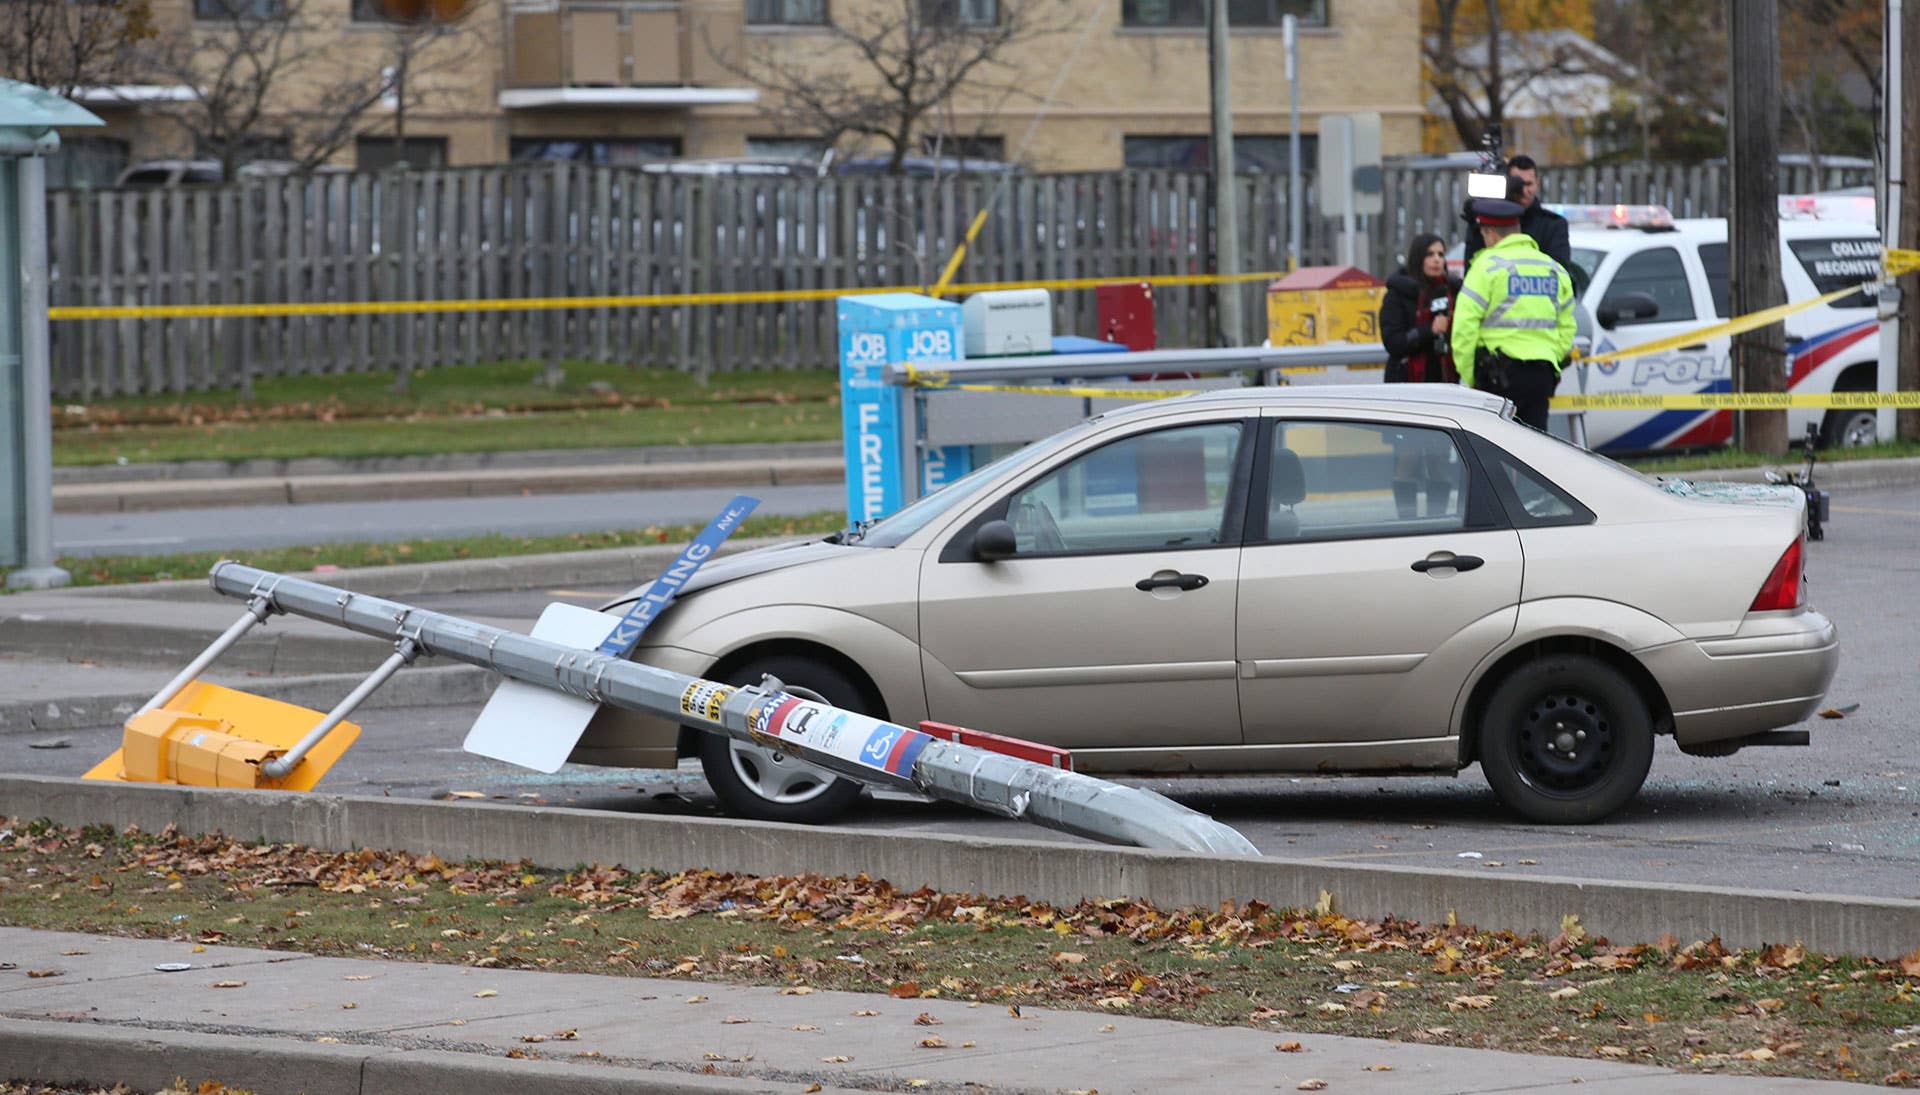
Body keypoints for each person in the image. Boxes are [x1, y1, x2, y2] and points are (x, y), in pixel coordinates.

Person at [1450, 198, 1576, 432]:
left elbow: (1464, 329)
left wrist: (1471, 377)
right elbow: (1567, 323)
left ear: (1490, 234)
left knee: (1493, 452)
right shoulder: (1552, 268)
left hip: (1497, 377)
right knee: (1534, 452)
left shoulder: (1486, 267)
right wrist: (1553, 359)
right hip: (1541, 375)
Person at [1379, 233, 1461, 516]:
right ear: (1418, 258)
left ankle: (1437, 521)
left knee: (1439, 458)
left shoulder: (1452, 292)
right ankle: (1407, 523)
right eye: (1430, 254)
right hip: (1407, 387)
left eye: (1441, 254)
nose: (1437, 260)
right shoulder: (1398, 294)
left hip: (1443, 384)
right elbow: (1393, 342)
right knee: (1408, 457)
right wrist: (1429, 331)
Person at [1461, 154, 1577, 292]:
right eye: (1518, 184)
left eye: (1528, 184)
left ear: (1538, 184)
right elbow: (1473, 273)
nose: (1523, 191)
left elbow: (1560, 275)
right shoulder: (1490, 222)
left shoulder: (1553, 225)